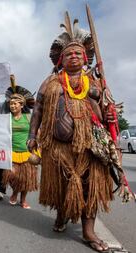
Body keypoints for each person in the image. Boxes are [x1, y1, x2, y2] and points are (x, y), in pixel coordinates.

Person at [27, 16, 116, 252]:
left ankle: (88, 232)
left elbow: (108, 109)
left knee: (90, 187)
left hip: (90, 147)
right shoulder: (50, 82)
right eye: (69, 54)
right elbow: (37, 110)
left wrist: (109, 115)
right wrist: (32, 135)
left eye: (78, 53)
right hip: (58, 147)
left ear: (85, 57)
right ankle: (61, 215)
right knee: (61, 185)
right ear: (61, 59)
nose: (74, 56)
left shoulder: (94, 81)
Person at [2, 94, 38, 209]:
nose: (12, 106)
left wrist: (37, 149)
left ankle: (23, 200)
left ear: (21, 105)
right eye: (11, 104)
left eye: (15, 104)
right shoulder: (7, 119)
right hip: (12, 152)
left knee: (26, 179)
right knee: (11, 175)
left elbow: (37, 132)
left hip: (27, 153)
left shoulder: (28, 117)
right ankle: (14, 192)